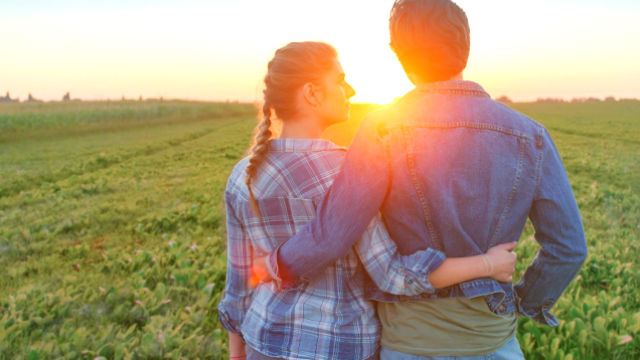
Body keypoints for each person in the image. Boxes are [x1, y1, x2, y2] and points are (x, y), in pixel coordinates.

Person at [265, 1, 588, 359]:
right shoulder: (531, 135)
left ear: (398, 54)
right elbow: (568, 248)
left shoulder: (383, 127)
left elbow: (331, 236)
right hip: (494, 341)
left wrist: (272, 266)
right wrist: (522, 303)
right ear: (465, 46)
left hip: (409, 344)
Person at [218, 41, 519, 360]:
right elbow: (391, 274)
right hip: (343, 347)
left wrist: (238, 352)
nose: (350, 90)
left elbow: (238, 285)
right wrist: (487, 264)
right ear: (311, 93)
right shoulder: (350, 172)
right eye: (340, 79)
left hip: (264, 344)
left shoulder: (243, 175)